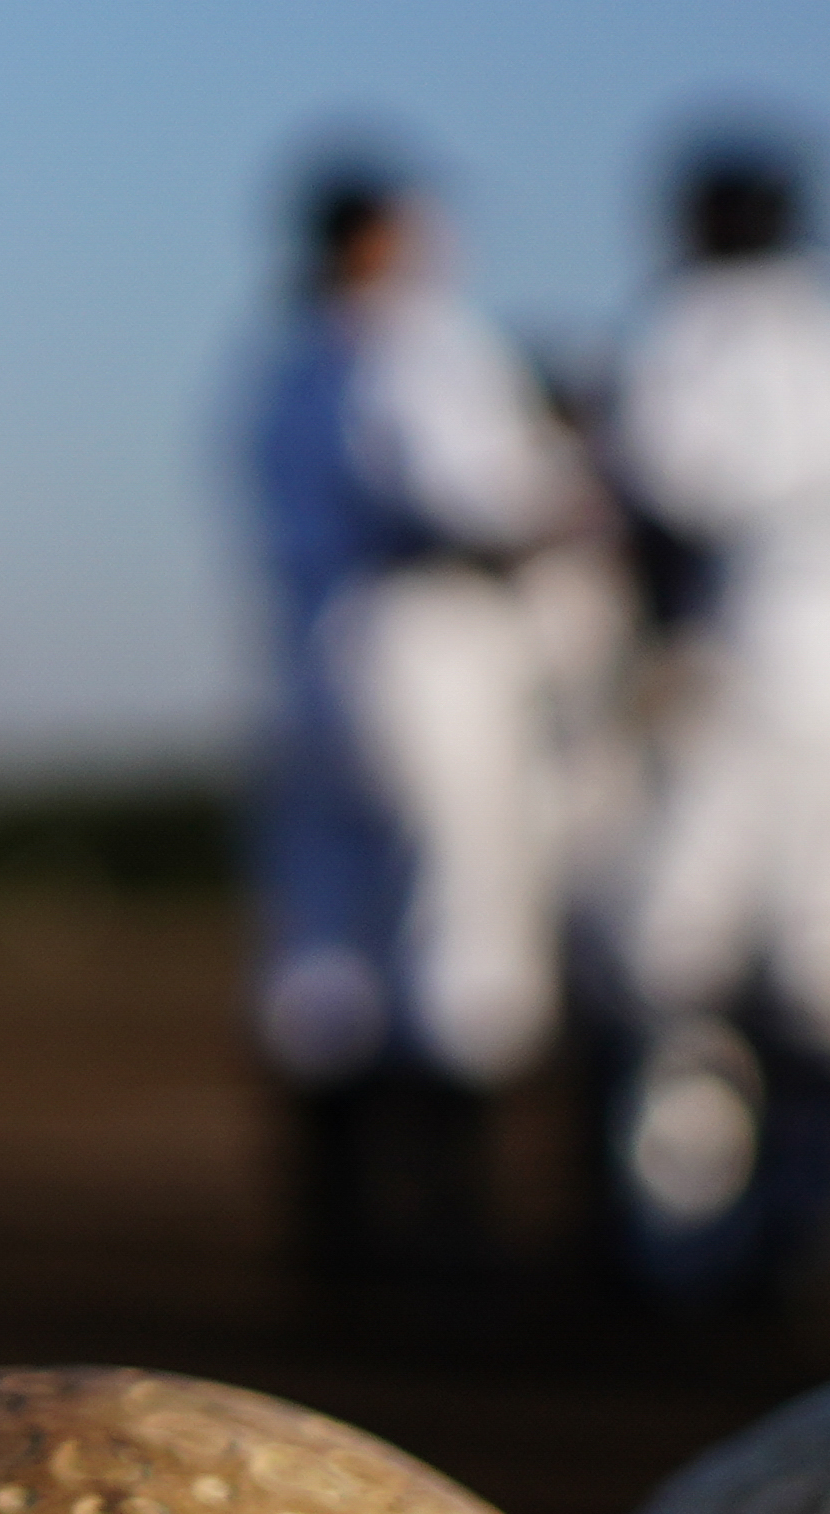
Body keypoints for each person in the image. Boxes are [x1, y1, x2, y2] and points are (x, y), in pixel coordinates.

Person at [586, 122, 830, 1316]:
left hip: (747, 647)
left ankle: (682, 1228)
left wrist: (656, 644)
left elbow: (659, 494)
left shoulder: (690, 322)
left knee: (671, 943)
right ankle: (822, 1222)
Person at [237, 145, 587, 1294]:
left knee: (330, 948)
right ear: (381, 237)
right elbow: (473, 501)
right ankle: (451, 1237)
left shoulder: (279, 361)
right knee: (457, 925)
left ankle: (336, 1242)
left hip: (312, 658)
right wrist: (572, 482)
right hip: (426, 652)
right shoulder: (414, 342)